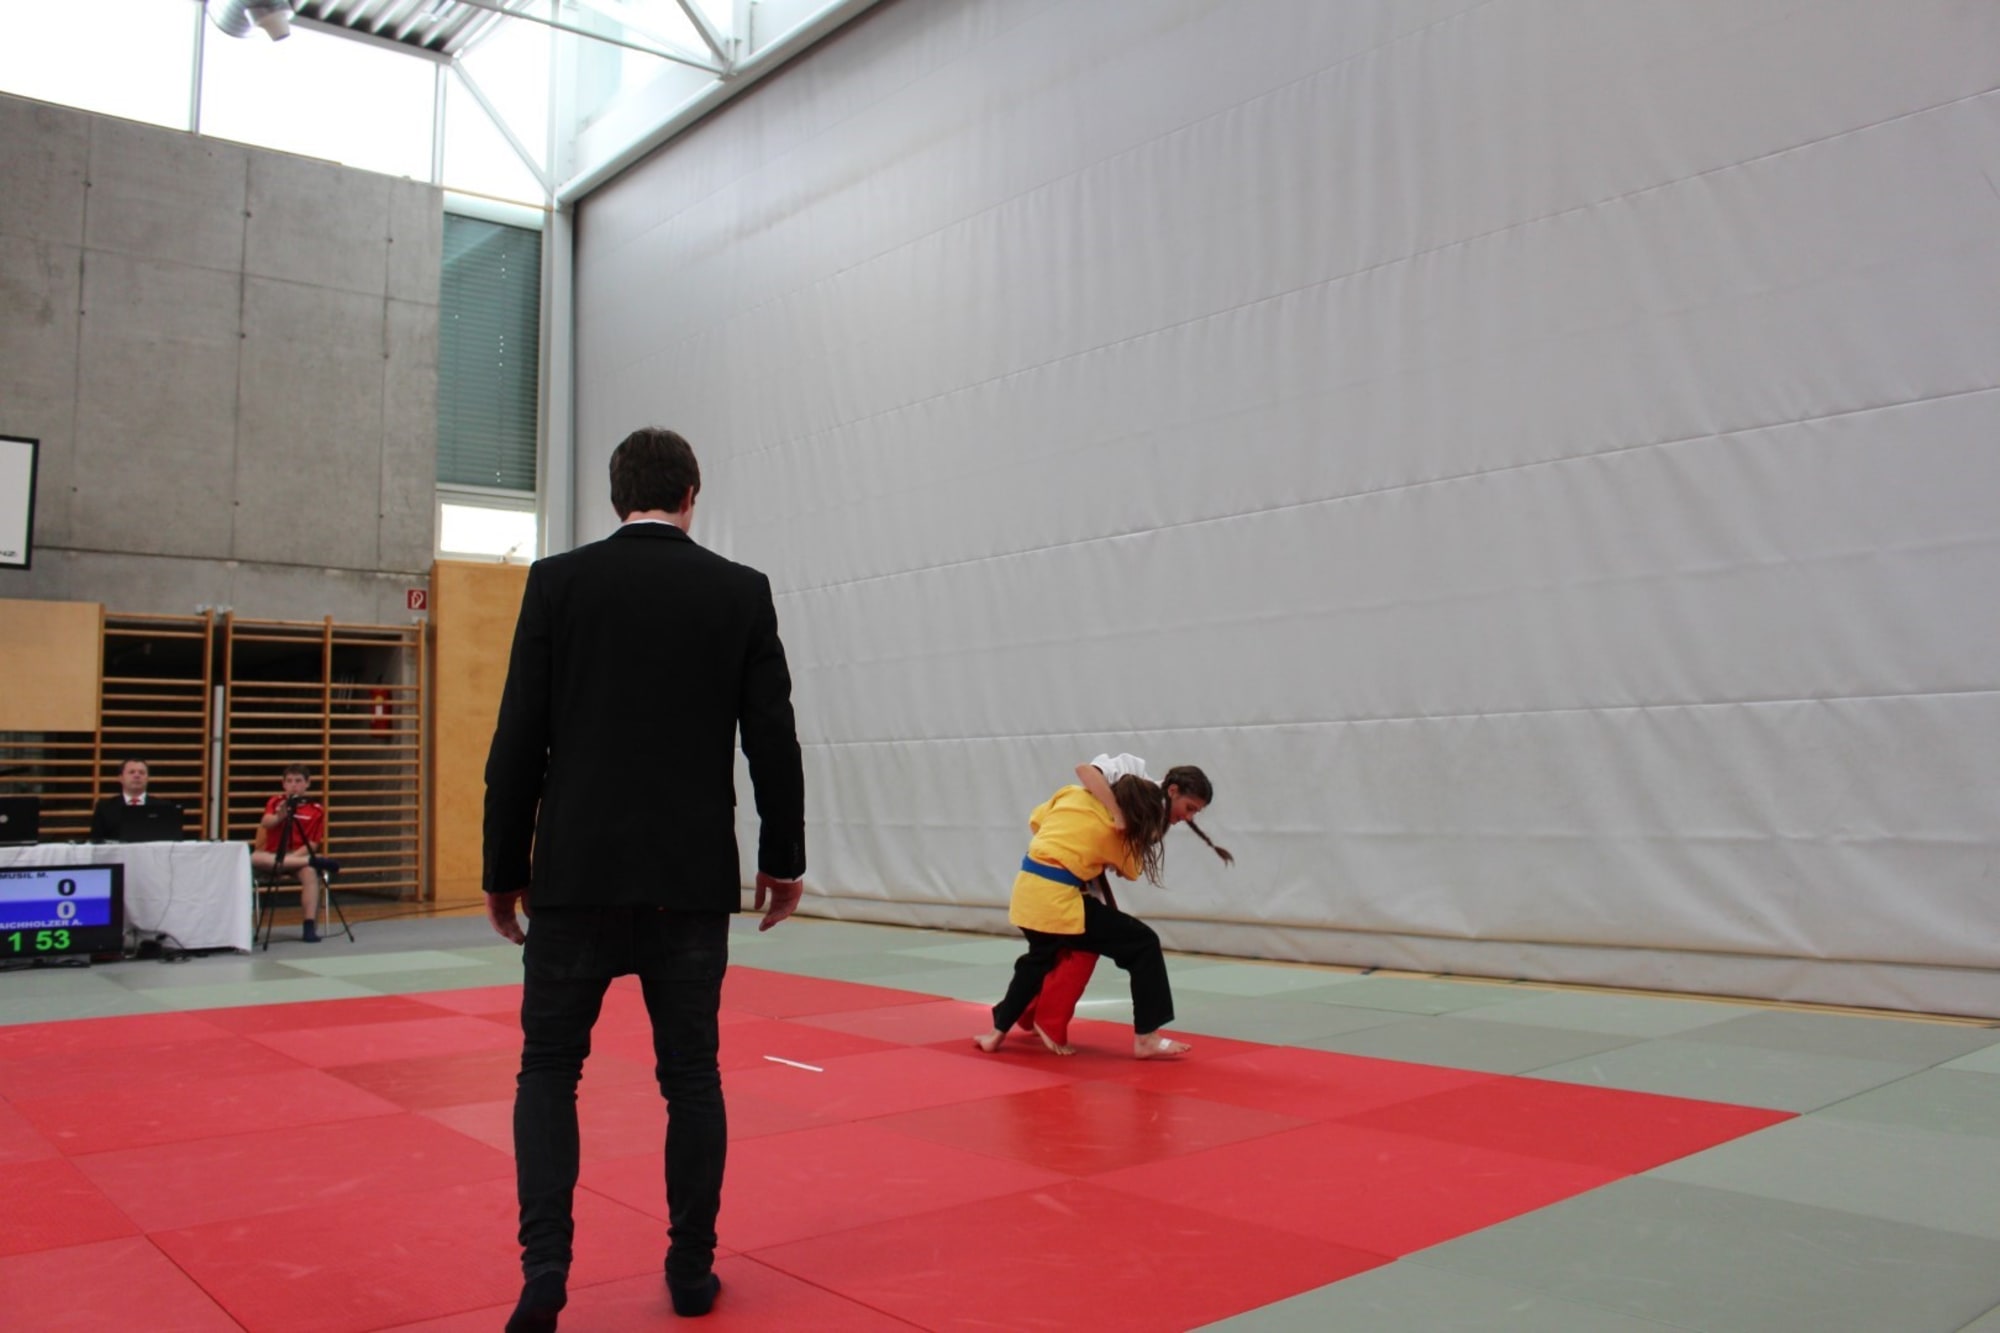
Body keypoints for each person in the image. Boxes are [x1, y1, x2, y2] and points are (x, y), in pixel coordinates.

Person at [483, 427, 806, 1331]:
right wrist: (783, 857)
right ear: (692, 495)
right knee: (691, 1077)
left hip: (575, 872)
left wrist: (503, 868)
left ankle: (545, 1269)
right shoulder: (739, 591)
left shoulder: (558, 583)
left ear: (615, 496)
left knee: (548, 1071)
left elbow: (518, 741)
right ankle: (691, 1270)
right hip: (688, 878)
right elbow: (772, 739)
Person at [1014, 756, 1233, 1049]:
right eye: (1189, 807)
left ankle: (1023, 1015)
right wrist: (1119, 816)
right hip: (1057, 878)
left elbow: (1120, 860)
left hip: (1058, 876)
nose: (1189, 817)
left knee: (1069, 950)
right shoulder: (1132, 771)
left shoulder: (1153, 813)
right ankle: (1146, 1037)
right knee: (1142, 944)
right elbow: (1084, 770)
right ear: (1172, 791)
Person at [974, 772, 1191, 1059]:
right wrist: (1143, 836)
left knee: (1038, 960)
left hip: (1027, 892)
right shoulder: (1113, 831)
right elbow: (1132, 870)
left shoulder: (1071, 794)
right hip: (1059, 904)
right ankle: (1146, 1037)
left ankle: (996, 1033)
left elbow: (1036, 820)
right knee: (1143, 943)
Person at [252, 764, 324, 943]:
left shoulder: (316, 810)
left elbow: (313, 843)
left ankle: (309, 927)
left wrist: (291, 859)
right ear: (283, 784)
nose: (294, 785)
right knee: (253, 858)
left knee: (310, 873)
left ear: (307, 783)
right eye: (290, 781)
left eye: (298, 781)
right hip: (271, 856)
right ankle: (313, 861)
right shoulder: (276, 802)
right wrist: (279, 817)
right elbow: (266, 822)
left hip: (296, 857)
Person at [88, 757, 183, 843]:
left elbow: (171, 841)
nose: (137, 775)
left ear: (148, 778)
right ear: (120, 778)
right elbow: (96, 842)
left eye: (142, 772)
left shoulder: (163, 807)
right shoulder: (105, 807)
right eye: (131, 772)